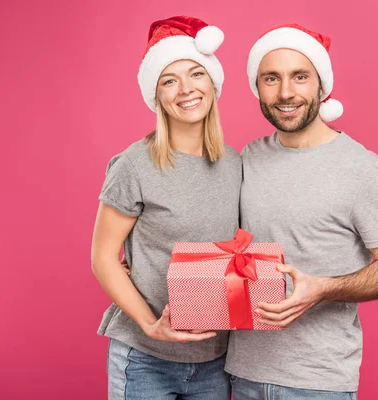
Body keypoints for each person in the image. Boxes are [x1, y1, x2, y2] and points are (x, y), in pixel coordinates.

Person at [226, 24, 378, 399]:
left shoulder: (361, 168)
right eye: (271, 78)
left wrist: (322, 289)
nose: (285, 93)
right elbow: (229, 249)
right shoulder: (249, 158)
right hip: (241, 374)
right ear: (257, 87)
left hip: (317, 382)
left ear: (321, 85)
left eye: (300, 77)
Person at [91, 16, 240, 400]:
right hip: (146, 357)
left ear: (213, 83)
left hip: (215, 358)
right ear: (156, 95)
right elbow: (104, 258)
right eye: (169, 80)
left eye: (196, 74)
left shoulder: (235, 165)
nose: (186, 89)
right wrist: (150, 324)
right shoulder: (134, 164)